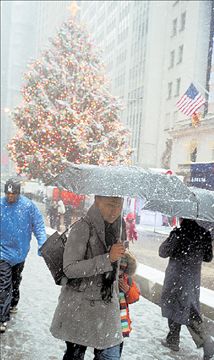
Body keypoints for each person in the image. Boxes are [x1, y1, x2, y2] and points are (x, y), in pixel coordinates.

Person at [50, 195, 126, 360]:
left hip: (106, 304)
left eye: (119, 206)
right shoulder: (82, 227)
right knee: (76, 354)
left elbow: (114, 264)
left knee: (110, 353)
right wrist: (108, 259)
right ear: (97, 201)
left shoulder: (118, 228)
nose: (115, 211)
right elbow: (70, 268)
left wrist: (122, 271)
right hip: (80, 307)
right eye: (110, 205)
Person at [159, 218, 214, 360]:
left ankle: (206, 342)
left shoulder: (178, 233)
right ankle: (174, 339)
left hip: (175, 278)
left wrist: (173, 238)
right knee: (188, 309)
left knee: (176, 307)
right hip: (192, 280)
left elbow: (163, 252)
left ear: (182, 217)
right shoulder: (204, 234)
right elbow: (208, 257)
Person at [0, 178, 47, 333]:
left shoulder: (28, 206)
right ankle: (2, 318)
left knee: (15, 280)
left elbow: (39, 225)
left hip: (20, 253)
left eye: (13, 194)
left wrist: (42, 243)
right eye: (8, 193)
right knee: (3, 284)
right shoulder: (1, 205)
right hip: (3, 252)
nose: (10, 196)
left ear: (19, 193)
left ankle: (13, 303)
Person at [118, 250, 140, 356]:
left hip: (121, 323)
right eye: (118, 268)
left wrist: (128, 290)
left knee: (117, 348)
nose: (120, 272)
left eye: (123, 268)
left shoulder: (127, 280)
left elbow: (135, 297)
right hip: (107, 319)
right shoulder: (107, 278)